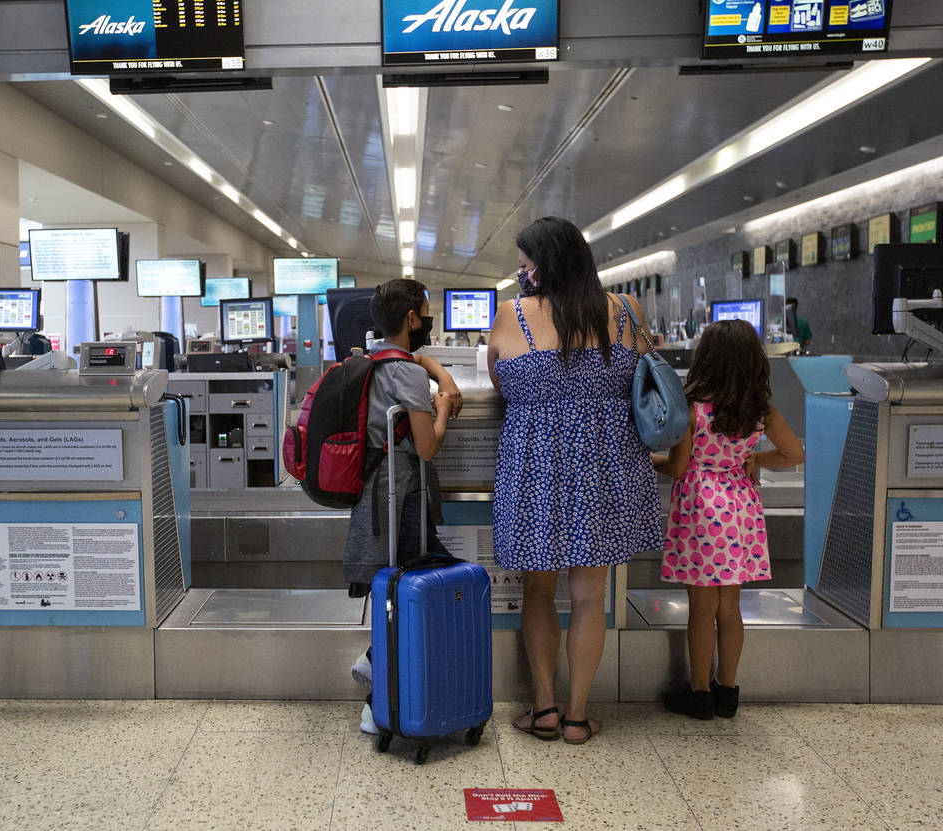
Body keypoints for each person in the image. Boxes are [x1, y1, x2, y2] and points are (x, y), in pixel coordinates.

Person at [488, 217, 663, 745]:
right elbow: (649, 371)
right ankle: (578, 718)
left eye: (526, 264)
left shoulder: (510, 315)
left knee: (538, 591)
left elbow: (499, 378)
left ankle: (543, 708)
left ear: (545, 265)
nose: (522, 273)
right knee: (591, 595)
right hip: (607, 464)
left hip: (534, 465)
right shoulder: (625, 310)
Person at [652, 320, 804, 719]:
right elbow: (793, 455)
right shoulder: (761, 411)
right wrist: (754, 458)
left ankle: (699, 694)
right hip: (740, 510)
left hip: (700, 510)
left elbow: (678, 466)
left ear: (707, 360)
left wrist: (646, 461)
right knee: (730, 607)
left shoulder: (693, 410)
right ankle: (728, 692)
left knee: (701, 607)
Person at [342, 278, 463, 734]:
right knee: (415, 593)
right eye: (426, 312)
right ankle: (378, 695)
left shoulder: (369, 360)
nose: (429, 320)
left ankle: (380, 675)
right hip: (404, 497)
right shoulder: (408, 374)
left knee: (403, 589)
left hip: (376, 497)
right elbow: (427, 447)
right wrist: (444, 405)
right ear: (412, 318)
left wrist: (434, 368)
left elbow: (417, 368)